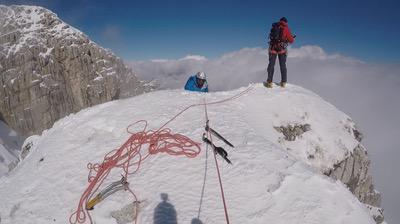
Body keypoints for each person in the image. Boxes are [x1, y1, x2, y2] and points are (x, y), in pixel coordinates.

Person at [265, 17, 295, 88]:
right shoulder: (286, 28)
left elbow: (270, 36)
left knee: (271, 65)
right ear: (286, 22)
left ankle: (269, 82)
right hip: (282, 49)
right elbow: (291, 40)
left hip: (273, 48)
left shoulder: (275, 26)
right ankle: (283, 82)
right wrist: (291, 38)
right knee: (282, 66)